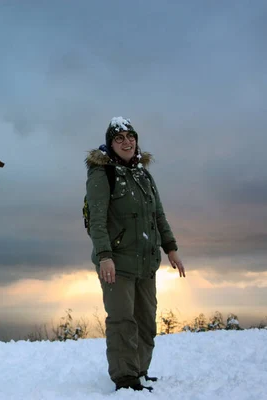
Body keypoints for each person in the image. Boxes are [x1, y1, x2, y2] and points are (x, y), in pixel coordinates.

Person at [84, 117, 186, 392]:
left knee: (145, 320)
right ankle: (125, 377)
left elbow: (158, 215)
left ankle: (140, 370)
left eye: (130, 137)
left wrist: (171, 248)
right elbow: (97, 219)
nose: (127, 142)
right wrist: (105, 255)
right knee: (122, 321)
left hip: (146, 262)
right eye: (119, 138)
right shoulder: (102, 174)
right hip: (116, 263)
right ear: (110, 143)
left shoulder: (143, 174)